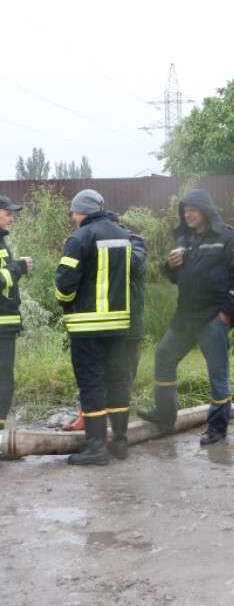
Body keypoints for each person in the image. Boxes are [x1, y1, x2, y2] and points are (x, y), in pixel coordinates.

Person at [138, 189, 234, 445]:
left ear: (205, 210)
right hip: (185, 317)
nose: (188, 214)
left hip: (213, 318)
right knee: (164, 356)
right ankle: (166, 416)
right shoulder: (187, 240)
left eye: (193, 210)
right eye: (185, 210)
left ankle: (217, 428)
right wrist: (171, 266)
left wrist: (226, 314)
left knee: (217, 374)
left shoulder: (228, 237)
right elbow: (177, 277)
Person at [55, 190, 137, 466]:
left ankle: (96, 448)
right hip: (119, 325)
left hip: (86, 326)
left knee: (92, 385)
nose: (72, 218)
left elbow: (65, 284)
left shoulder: (80, 238)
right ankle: (121, 442)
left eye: (73, 213)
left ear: (82, 212)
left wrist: (65, 303)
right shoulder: (124, 236)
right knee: (117, 382)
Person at [0, 196, 32, 430]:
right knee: (3, 382)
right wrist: (18, 267)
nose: (12, 218)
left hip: (6, 324)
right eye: (8, 213)